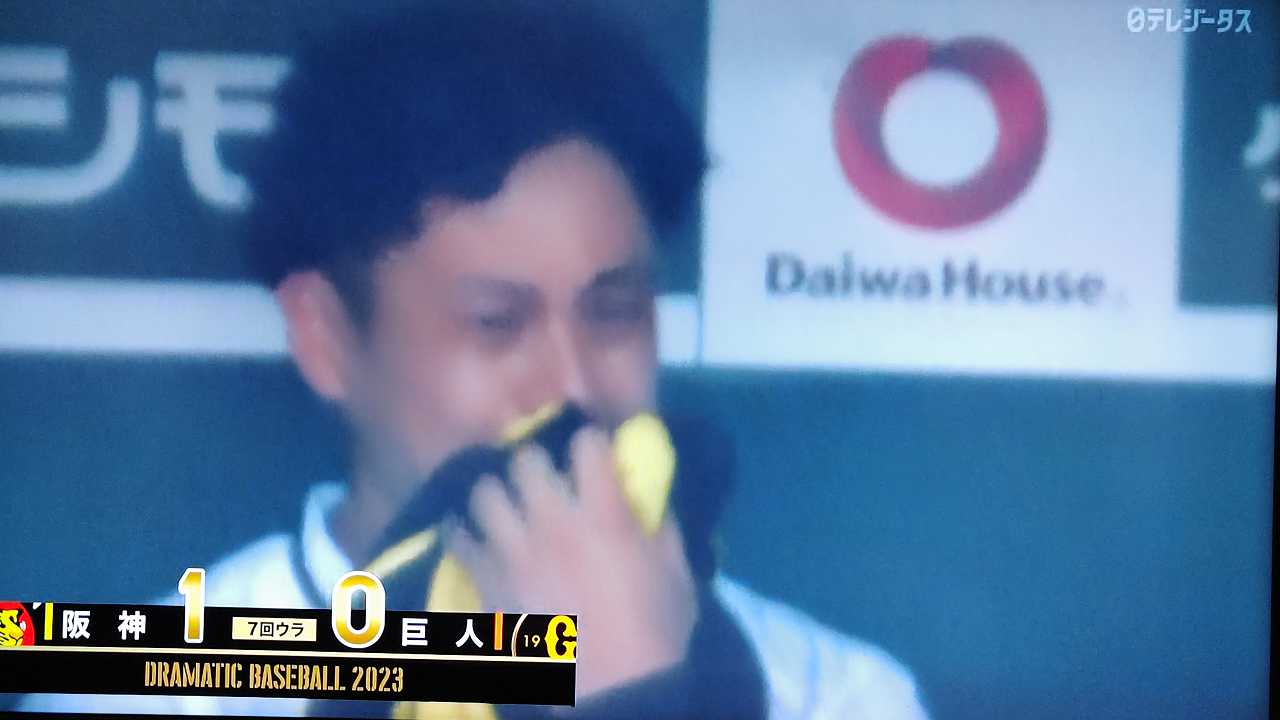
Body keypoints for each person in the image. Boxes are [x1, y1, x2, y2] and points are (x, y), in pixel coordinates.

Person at [20, 2, 928, 717]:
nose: (573, 386)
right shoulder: (148, 681)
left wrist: (633, 695)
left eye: (614, 313)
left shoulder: (832, 694)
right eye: (497, 323)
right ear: (325, 338)